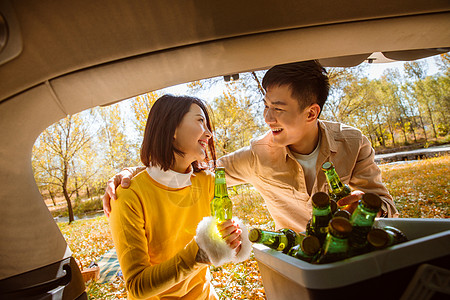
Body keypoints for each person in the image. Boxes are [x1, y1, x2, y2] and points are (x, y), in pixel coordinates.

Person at [104, 61, 398, 234]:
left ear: (311, 113)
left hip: (354, 252)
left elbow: (386, 205)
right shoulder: (258, 155)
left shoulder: (354, 142)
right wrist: (133, 171)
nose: (267, 118)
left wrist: (372, 208)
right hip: (298, 259)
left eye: (279, 109)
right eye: (266, 106)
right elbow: (193, 166)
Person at [108, 94, 252, 300]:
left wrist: (232, 243)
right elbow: (137, 287)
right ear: (172, 128)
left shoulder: (209, 182)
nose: (209, 134)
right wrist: (197, 255)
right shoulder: (128, 195)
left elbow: (220, 242)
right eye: (200, 121)